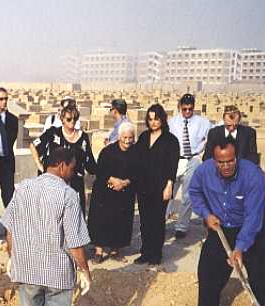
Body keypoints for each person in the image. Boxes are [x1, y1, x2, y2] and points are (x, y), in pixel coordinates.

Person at [1, 146, 92, 306]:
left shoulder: (23, 189)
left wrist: (12, 256)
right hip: (57, 274)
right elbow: (75, 242)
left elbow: (10, 229)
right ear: (61, 166)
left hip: (28, 270)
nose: (73, 173)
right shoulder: (68, 195)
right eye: (72, 168)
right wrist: (85, 271)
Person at [188, 139, 265, 306]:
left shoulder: (252, 175)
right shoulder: (204, 171)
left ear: (237, 157)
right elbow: (194, 192)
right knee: (207, 272)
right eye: (221, 162)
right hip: (221, 227)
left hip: (253, 229)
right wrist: (206, 214)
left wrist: (240, 248)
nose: (226, 166)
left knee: (260, 279)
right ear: (214, 160)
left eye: (230, 161)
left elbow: (253, 217)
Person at [134, 104, 180, 265]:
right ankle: (145, 252)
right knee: (145, 221)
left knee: (157, 220)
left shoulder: (171, 140)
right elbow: (137, 159)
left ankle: (155, 254)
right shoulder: (144, 137)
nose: (153, 122)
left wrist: (169, 186)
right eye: (150, 119)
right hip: (144, 186)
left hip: (161, 186)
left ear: (162, 119)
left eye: (156, 119)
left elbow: (172, 166)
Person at [31, 105, 96, 213]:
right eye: (69, 119)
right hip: (54, 183)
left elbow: (89, 162)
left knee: (74, 215)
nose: (72, 122)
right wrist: (40, 166)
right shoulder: (53, 133)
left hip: (75, 184)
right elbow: (34, 145)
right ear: (62, 120)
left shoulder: (83, 137)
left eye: (75, 118)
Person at [88, 121, 137, 264]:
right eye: (125, 138)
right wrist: (112, 180)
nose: (127, 141)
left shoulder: (136, 152)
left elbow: (139, 172)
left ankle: (116, 250)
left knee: (121, 221)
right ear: (119, 137)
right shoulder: (108, 152)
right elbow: (100, 170)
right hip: (105, 190)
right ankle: (99, 251)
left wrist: (125, 182)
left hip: (125, 191)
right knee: (101, 220)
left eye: (130, 138)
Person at [168, 93, 211, 239]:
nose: (187, 112)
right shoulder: (172, 122)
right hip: (175, 159)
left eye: (190, 109)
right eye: (184, 109)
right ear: (180, 107)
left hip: (193, 159)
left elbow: (213, 135)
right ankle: (161, 222)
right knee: (168, 193)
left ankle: (181, 226)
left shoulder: (203, 123)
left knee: (188, 195)